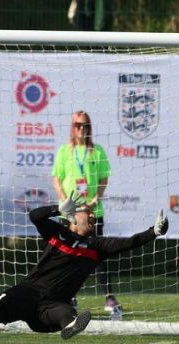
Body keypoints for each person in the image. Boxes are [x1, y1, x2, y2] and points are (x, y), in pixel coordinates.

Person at [0, 192, 169, 344]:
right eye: (88, 214)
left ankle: (70, 325)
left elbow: (130, 243)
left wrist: (153, 232)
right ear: (73, 219)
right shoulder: (57, 233)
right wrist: (56, 209)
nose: (93, 217)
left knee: (68, 312)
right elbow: (35, 216)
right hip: (26, 293)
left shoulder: (98, 246)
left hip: (49, 307)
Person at [52, 110, 120, 315]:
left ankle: (109, 297)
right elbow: (56, 179)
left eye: (86, 126)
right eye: (78, 125)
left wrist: (94, 200)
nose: (82, 129)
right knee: (69, 256)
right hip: (70, 215)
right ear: (72, 128)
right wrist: (66, 201)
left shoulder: (97, 151)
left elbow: (103, 179)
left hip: (93, 213)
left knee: (98, 255)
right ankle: (69, 297)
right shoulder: (64, 151)